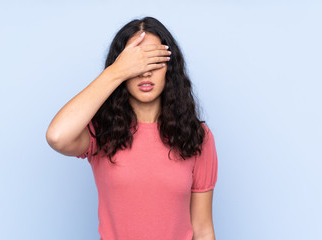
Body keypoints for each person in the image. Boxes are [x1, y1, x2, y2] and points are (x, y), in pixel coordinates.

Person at [46, 16, 218, 240]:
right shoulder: (101, 132)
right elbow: (57, 136)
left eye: (154, 61)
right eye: (137, 63)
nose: (145, 72)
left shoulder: (197, 137)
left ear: (170, 68)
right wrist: (116, 72)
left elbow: (203, 230)